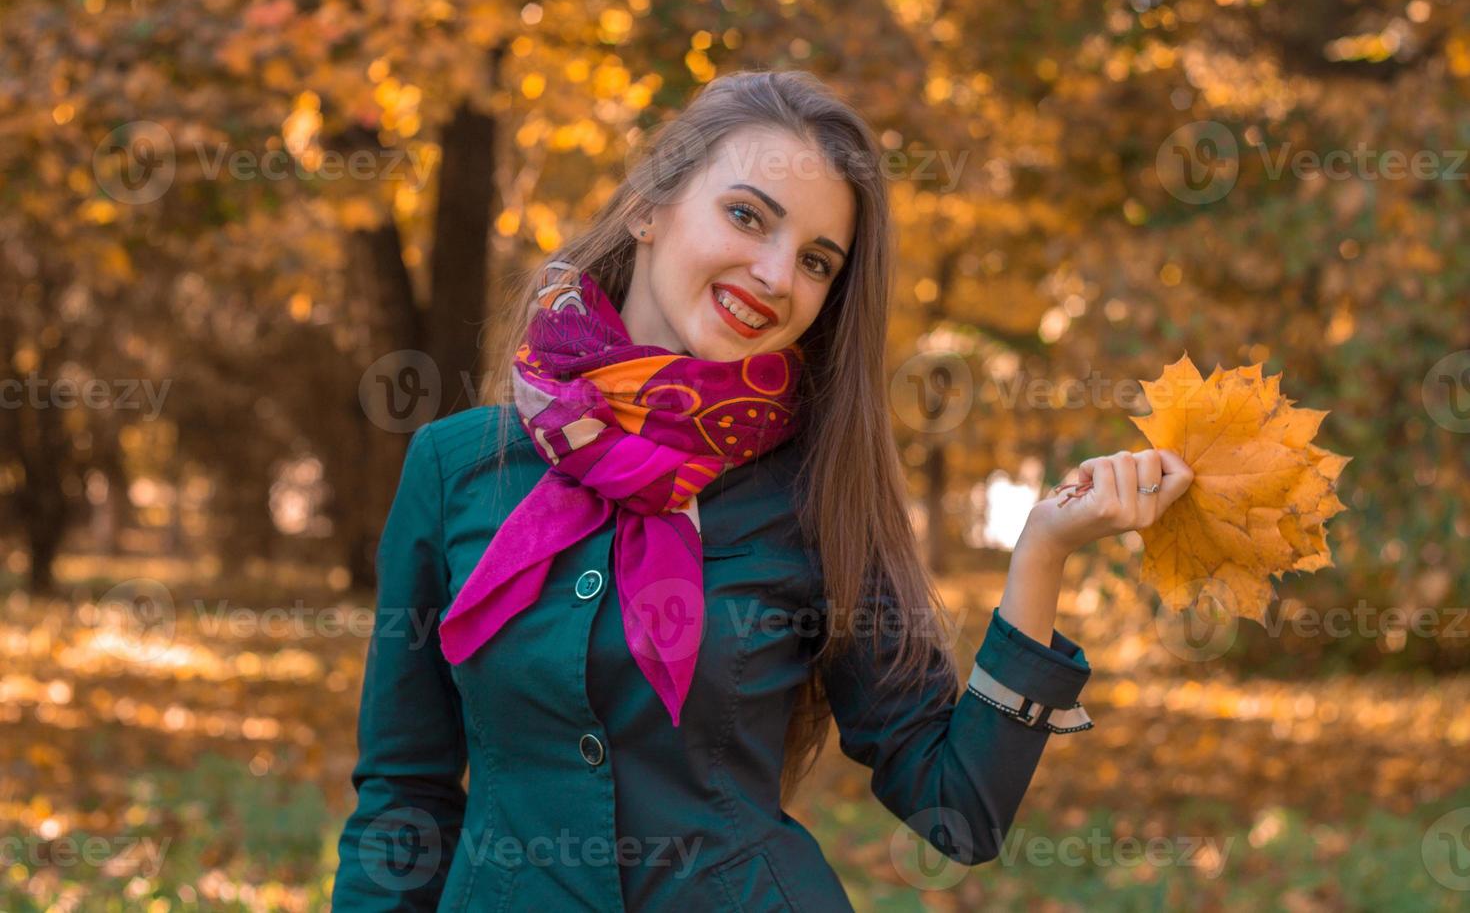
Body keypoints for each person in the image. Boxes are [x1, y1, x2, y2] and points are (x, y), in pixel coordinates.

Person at [332, 69, 1194, 911]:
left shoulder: (818, 494)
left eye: (817, 261)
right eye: (747, 216)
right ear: (647, 207)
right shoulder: (457, 467)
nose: (778, 277)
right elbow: (403, 796)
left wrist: (1042, 553)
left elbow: (958, 809)